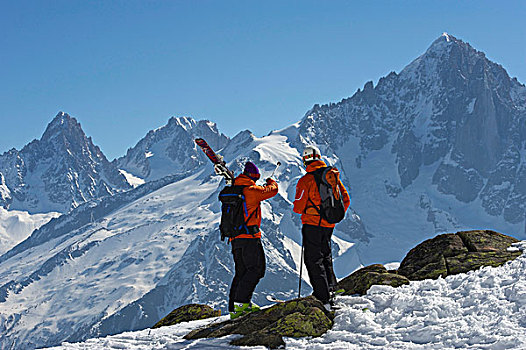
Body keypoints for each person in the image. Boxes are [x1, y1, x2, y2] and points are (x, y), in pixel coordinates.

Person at [293, 145, 350, 310]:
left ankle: (322, 297)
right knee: (326, 256)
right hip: (328, 225)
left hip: (312, 224)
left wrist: (312, 212)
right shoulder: (332, 176)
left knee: (313, 260)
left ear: (305, 161)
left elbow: (298, 207)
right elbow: (345, 199)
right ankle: (331, 290)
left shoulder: (306, 180)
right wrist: (330, 216)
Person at [228, 161, 278, 319]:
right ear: (254, 177)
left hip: (235, 239)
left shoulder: (234, 190)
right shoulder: (251, 190)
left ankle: (234, 308)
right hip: (250, 237)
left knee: (241, 272)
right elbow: (272, 190)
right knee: (257, 269)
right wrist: (271, 181)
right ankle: (243, 304)